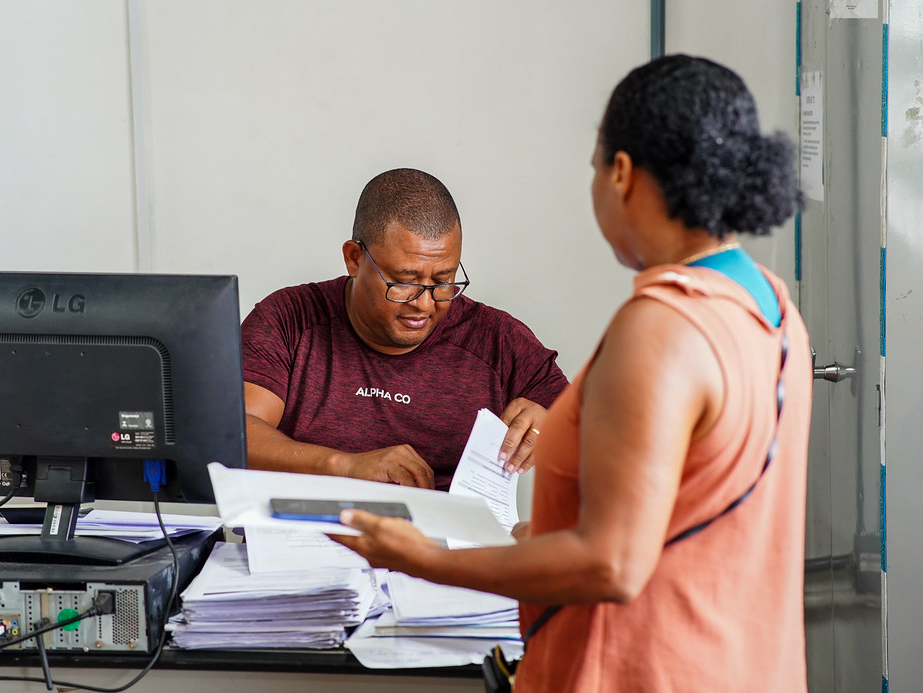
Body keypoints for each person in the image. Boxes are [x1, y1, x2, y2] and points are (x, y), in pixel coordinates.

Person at [332, 55, 812, 692]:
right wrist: (533, 534)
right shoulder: (771, 306)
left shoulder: (662, 327)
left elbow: (611, 563)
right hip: (747, 665)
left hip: (644, 670)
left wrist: (424, 559)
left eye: (593, 166)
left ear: (620, 172)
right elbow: (688, 515)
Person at [242, 168, 568, 491]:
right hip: (296, 534)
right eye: (403, 282)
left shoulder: (496, 342)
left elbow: (596, 429)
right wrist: (342, 465)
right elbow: (234, 433)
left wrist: (551, 425)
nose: (424, 305)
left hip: (445, 541)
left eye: (443, 282)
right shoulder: (289, 320)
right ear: (354, 258)